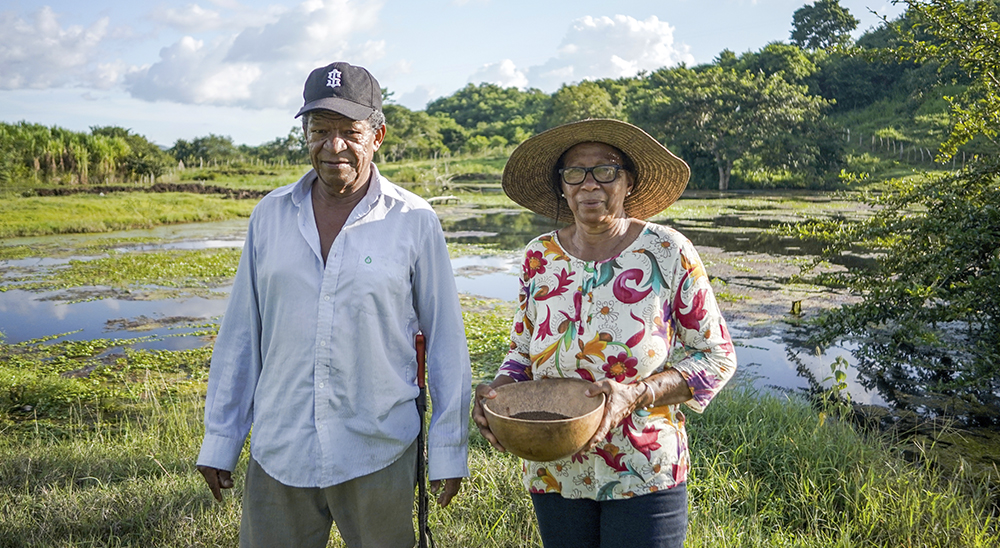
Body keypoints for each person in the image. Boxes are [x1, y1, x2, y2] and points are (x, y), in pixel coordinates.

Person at [196, 61, 471, 548]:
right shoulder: (270, 216)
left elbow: (447, 339)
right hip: (281, 446)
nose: (333, 146)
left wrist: (449, 449)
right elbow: (242, 333)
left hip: (377, 446)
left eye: (350, 131)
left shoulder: (414, 220)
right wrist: (221, 439)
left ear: (378, 134)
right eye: (320, 130)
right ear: (305, 133)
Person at [472, 119, 737, 548]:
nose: (589, 184)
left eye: (606, 170)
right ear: (562, 186)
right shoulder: (539, 255)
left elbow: (717, 356)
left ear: (629, 182)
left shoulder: (667, 251)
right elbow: (522, 350)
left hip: (644, 465)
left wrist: (637, 393)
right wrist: (498, 393)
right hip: (554, 467)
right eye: (575, 172)